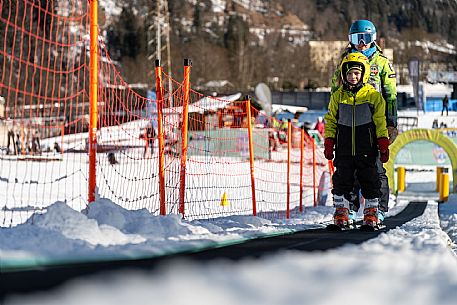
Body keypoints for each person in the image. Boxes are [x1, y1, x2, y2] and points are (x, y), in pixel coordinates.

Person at [330, 19, 397, 217]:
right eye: (357, 38)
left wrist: (391, 122)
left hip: (374, 122)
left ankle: (378, 208)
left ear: (373, 38)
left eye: (366, 38)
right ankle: (348, 207)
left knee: (374, 167)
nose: (362, 43)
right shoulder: (345, 62)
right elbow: (335, 92)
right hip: (348, 122)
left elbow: (391, 95)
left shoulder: (382, 63)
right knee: (348, 167)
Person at [324, 52, 389, 228]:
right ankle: (342, 213)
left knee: (370, 179)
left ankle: (371, 213)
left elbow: (380, 121)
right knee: (342, 180)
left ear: (364, 74)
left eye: (357, 73)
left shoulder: (373, 96)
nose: (353, 77)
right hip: (344, 148)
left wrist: (383, 142)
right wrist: (329, 141)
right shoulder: (338, 96)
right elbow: (330, 120)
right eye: (350, 73)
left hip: (366, 148)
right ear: (344, 75)